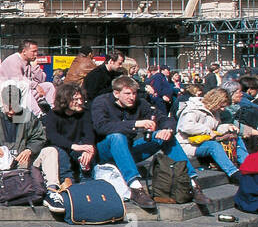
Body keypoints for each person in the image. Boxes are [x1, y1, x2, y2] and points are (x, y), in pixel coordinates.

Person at [92, 75, 205, 212]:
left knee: (165, 136)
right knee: (117, 136)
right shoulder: (101, 102)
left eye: (134, 93)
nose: (132, 97)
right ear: (116, 94)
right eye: (127, 93)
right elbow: (102, 127)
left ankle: (192, 183)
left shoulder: (140, 103)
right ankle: (135, 188)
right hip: (105, 151)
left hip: (128, 149)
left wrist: (167, 129)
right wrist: (135, 124)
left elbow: (163, 117)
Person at [0, 81, 64, 213]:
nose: (11, 112)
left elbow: (40, 137)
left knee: (50, 151)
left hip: (24, 159)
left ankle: (52, 190)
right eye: (8, 108)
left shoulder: (28, 116)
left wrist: (30, 150)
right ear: (3, 103)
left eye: (15, 108)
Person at [176, 88, 245, 182]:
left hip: (204, 141)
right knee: (213, 146)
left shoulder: (215, 112)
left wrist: (227, 127)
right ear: (215, 101)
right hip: (188, 144)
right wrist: (207, 131)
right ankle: (233, 172)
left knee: (237, 139)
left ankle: (247, 165)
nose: (223, 109)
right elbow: (186, 126)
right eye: (221, 106)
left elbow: (216, 128)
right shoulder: (193, 109)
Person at [43, 82, 98, 186]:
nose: (80, 102)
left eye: (81, 99)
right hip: (62, 146)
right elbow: (52, 136)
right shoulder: (54, 114)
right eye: (75, 99)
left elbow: (89, 133)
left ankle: (86, 181)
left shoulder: (84, 113)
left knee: (87, 151)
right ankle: (68, 181)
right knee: (60, 151)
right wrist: (73, 146)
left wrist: (88, 148)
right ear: (65, 100)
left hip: (78, 146)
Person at [0, 40, 55, 115]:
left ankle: (53, 110)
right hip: (7, 93)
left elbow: (41, 80)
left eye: (36, 51)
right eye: (33, 51)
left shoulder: (29, 61)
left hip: (25, 92)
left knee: (49, 86)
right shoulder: (13, 60)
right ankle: (39, 115)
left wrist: (35, 67)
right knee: (25, 88)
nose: (36, 54)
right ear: (24, 51)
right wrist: (36, 86)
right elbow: (19, 80)